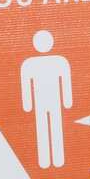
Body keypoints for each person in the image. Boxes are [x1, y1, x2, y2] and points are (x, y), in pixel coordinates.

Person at [20, 30, 73, 168]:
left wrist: (67, 101)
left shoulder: (60, 61)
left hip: (53, 101)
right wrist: (28, 104)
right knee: (43, 128)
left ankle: (57, 159)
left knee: (54, 127)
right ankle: (45, 161)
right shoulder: (29, 64)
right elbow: (26, 85)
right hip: (41, 102)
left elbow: (65, 82)